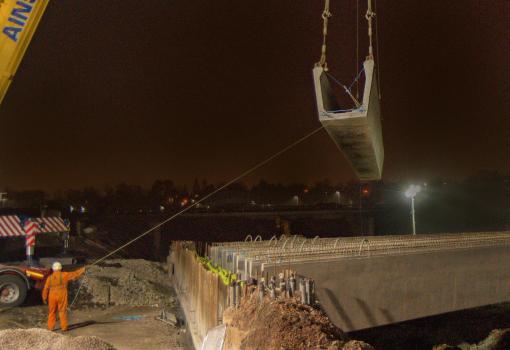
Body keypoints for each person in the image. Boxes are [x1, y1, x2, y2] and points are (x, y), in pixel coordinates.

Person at [42, 261, 85, 332]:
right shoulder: (65, 275)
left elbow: (46, 289)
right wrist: (83, 269)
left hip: (52, 296)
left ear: (53, 269)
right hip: (62, 295)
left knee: (52, 312)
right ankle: (64, 328)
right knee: (62, 311)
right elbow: (75, 274)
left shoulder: (49, 278)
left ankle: (50, 328)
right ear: (60, 268)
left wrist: (44, 298)